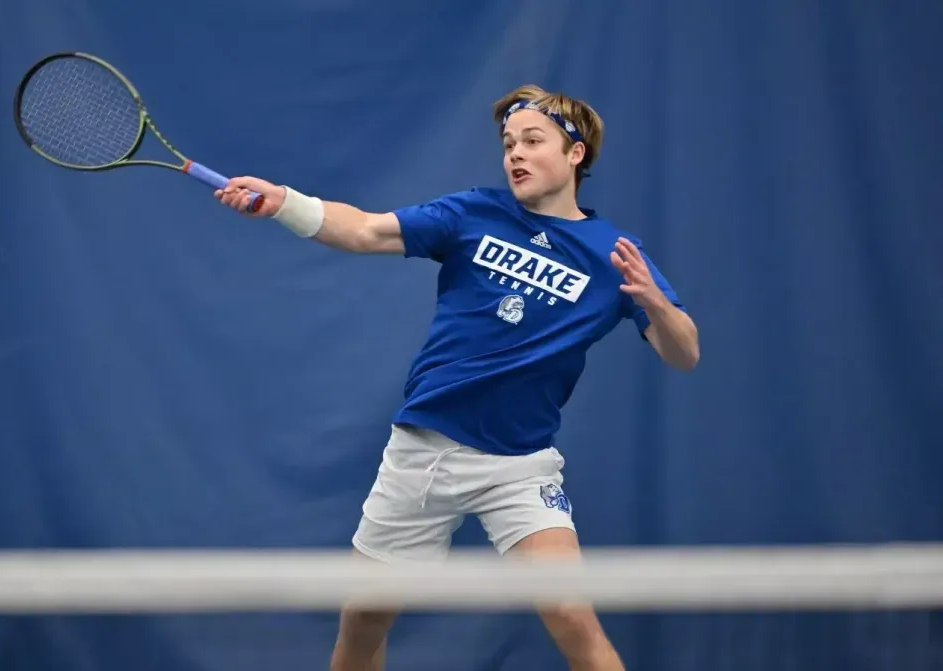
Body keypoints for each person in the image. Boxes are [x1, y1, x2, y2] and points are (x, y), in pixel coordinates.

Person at [214, 84, 699, 671]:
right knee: (363, 621)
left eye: (532, 141)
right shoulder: (473, 212)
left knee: (572, 615)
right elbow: (365, 230)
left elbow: (683, 353)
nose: (514, 153)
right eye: (508, 143)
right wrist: (283, 201)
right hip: (422, 451)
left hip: (517, 466)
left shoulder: (614, 254)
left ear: (576, 155)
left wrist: (657, 303)